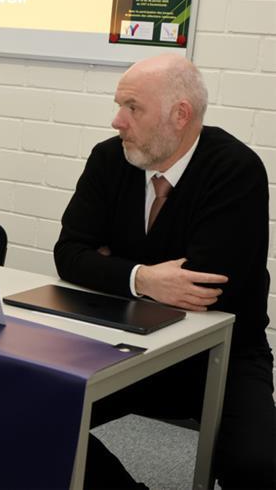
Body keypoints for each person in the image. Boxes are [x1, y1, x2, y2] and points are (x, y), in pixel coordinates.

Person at [54, 54, 274, 489]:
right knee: (43, 414)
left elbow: (207, 287)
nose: (117, 121)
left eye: (133, 107)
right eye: (120, 105)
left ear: (180, 115)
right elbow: (68, 255)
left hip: (219, 354)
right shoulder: (109, 159)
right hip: (121, 345)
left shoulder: (235, 169)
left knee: (259, 466)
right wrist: (145, 278)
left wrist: (109, 266)